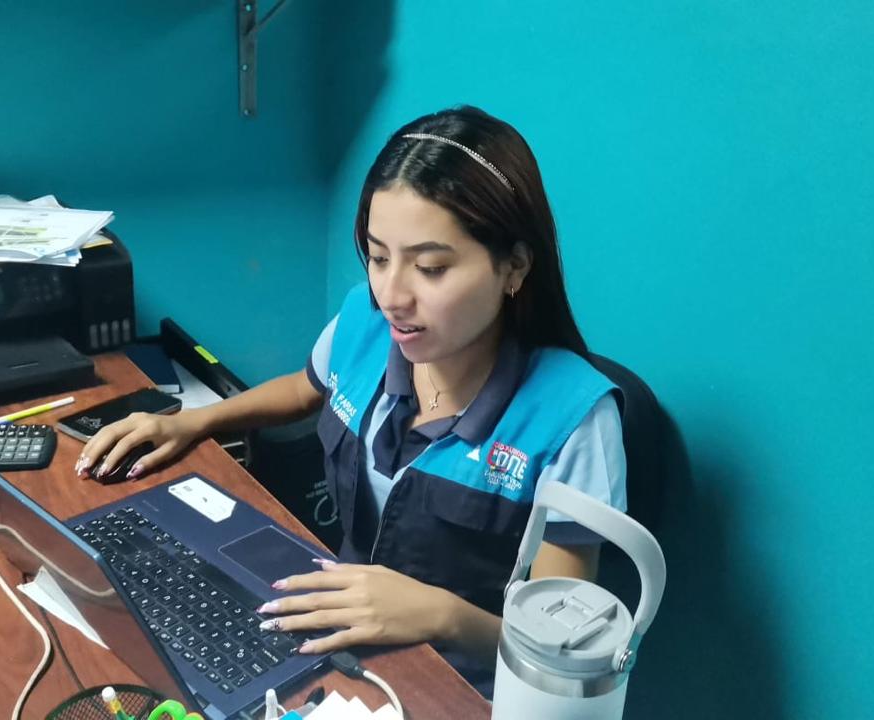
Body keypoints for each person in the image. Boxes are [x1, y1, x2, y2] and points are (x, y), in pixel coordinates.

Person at [77, 105, 627, 693]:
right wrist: (194, 423)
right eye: (379, 257)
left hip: (459, 686)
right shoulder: (368, 322)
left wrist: (441, 614)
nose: (391, 295)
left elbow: (559, 652)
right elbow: (306, 389)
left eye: (430, 268)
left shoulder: (574, 421)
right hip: (339, 637)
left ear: (513, 267)